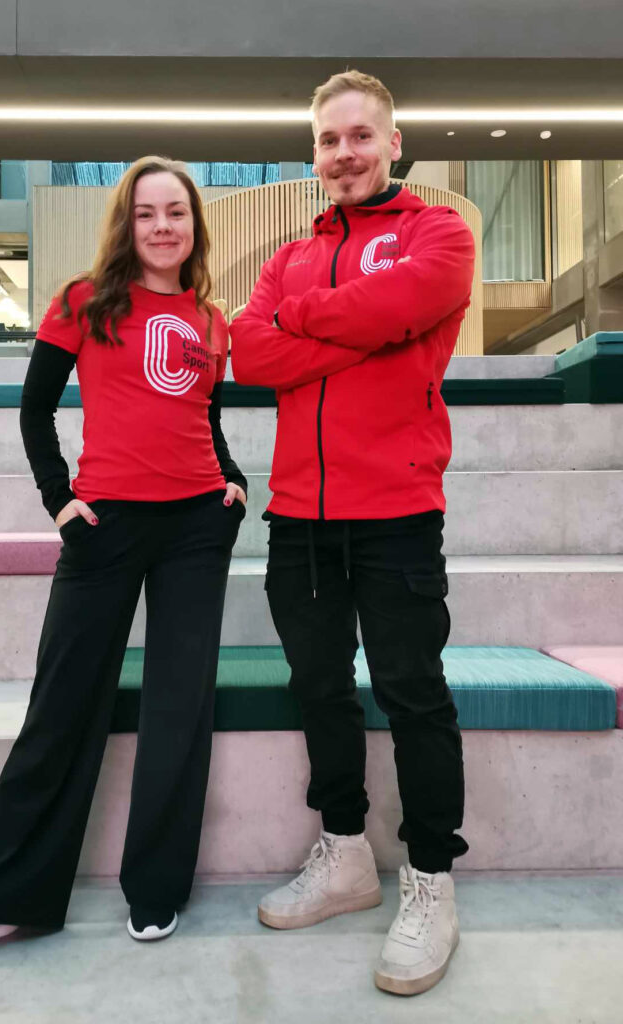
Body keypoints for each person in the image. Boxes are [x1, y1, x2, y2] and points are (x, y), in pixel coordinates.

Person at [0, 156, 247, 973]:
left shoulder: (211, 319)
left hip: (198, 529)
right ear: (126, 225)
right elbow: (34, 411)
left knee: (178, 708)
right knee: (61, 706)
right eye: (146, 214)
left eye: (177, 213)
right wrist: (59, 501)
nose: (163, 227)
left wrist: (233, 482)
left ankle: (156, 886)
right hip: (105, 529)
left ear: (195, 225)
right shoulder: (84, 301)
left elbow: (205, 416)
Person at [230, 70, 475, 996]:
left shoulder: (439, 236)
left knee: (415, 697)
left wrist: (306, 327)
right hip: (298, 517)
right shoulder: (287, 258)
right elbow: (246, 352)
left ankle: (430, 882)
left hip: (399, 513)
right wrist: (359, 329)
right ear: (316, 153)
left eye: (360, 136)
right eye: (329, 140)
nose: (344, 153)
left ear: (393, 143)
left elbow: (391, 308)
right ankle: (343, 854)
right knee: (321, 690)